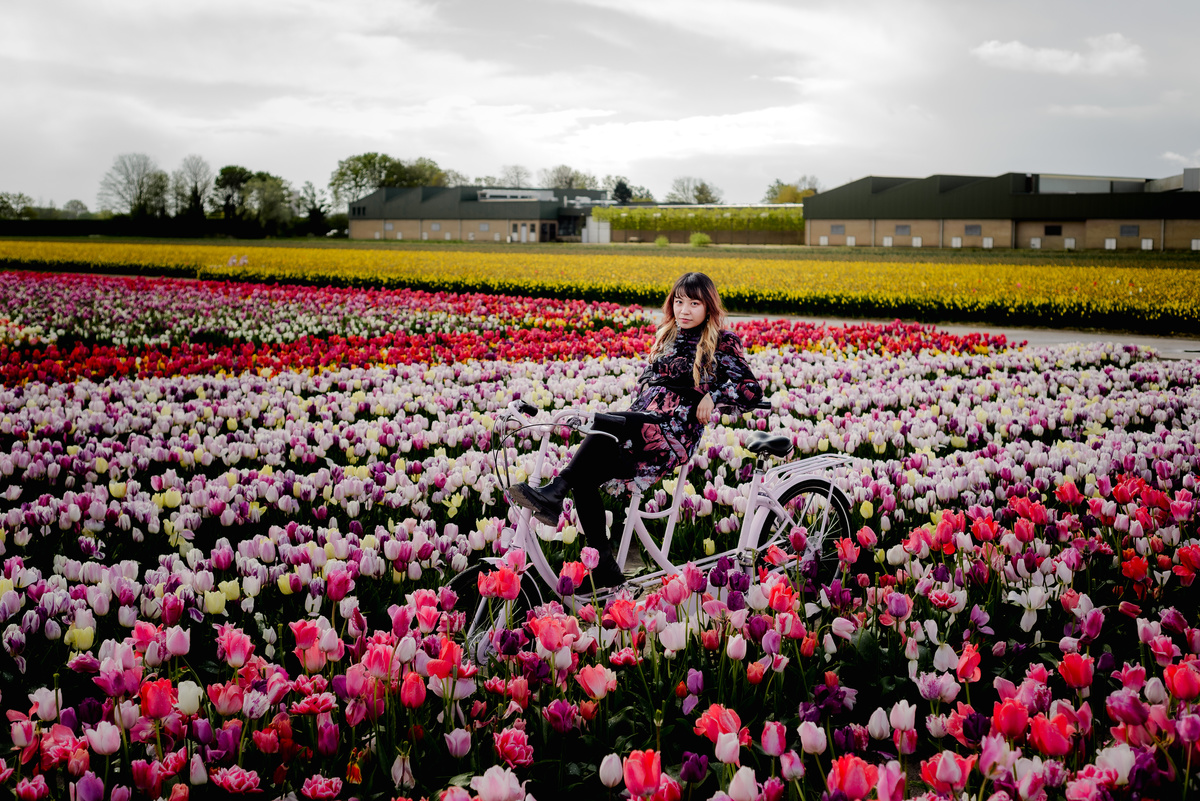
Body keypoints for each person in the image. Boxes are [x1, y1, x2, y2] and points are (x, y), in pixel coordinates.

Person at [508, 272, 764, 587]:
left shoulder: (722, 341)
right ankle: (604, 565)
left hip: (672, 433)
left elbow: (751, 389)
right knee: (587, 473)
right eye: (679, 301)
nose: (684, 310)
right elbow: (645, 386)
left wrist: (714, 395)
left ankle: (553, 492)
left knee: (607, 421)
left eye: (694, 303)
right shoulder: (668, 337)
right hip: (640, 424)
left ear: (708, 307)